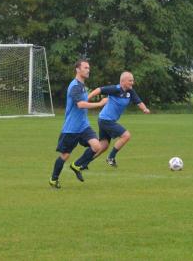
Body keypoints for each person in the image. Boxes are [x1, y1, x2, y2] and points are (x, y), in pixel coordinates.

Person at [48, 59, 108, 189]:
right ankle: (54, 179)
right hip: (71, 128)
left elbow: (84, 100)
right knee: (65, 155)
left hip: (83, 126)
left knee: (97, 146)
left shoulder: (82, 87)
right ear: (77, 69)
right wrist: (99, 104)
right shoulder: (75, 86)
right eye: (85, 67)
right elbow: (80, 105)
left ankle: (77, 165)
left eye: (88, 68)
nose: (88, 70)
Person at [83, 71, 150, 168]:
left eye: (132, 80)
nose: (132, 82)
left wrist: (144, 109)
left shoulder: (130, 92)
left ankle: (84, 163)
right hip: (106, 120)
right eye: (130, 80)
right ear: (123, 81)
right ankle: (111, 157)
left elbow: (139, 102)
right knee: (126, 135)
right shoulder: (115, 89)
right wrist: (87, 98)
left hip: (105, 120)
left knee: (103, 146)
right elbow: (99, 90)